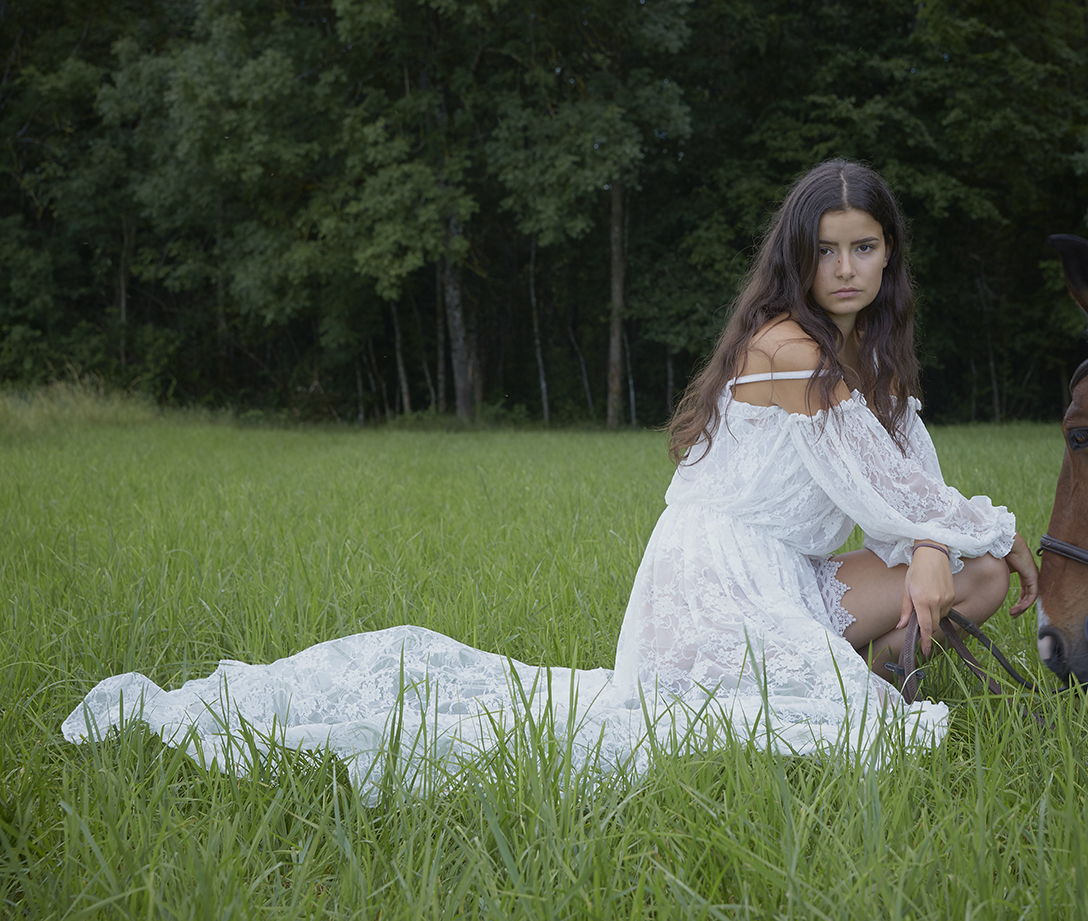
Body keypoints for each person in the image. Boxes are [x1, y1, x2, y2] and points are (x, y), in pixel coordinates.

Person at [63, 159, 1037, 800]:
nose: (845, 267)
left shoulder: (886, 368)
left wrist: (946, 544)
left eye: (863, 246)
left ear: (889, 255)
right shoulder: (787, 344)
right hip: (712, 576)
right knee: (835, 714)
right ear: (797, 258)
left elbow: (913, 487)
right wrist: (947, 537)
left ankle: (865, 690)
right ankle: (852, 702)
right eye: (824, 249)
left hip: (792, 575)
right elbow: (891, 497)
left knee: (979, 575)